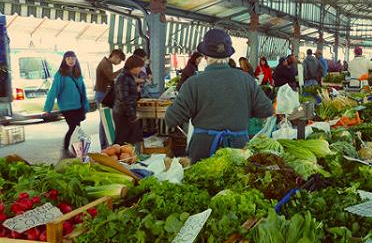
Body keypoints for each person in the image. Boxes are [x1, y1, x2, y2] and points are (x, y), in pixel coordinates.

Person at [166, 29, 273, 162]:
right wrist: (243, 110)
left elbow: (171, 119)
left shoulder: (193, 83)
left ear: (205, 56)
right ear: (228, 56)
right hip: (239, 150)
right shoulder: (246, 80)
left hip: (203, 152)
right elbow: (267, 109)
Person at [43, 51, 90, 152]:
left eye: (73, 58)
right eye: (68, 58)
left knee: (77, 127)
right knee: (74, 127)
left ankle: (77, 148)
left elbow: (83, 91)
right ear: (64, 60)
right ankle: (68, 148)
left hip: (78, 106)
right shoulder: (60, 74)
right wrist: (48, 108)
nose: (71, 61)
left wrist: (85, 105)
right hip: (66, 107)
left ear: (76, 60)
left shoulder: (77, 73)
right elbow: (53, 91)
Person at [94, 49, 125, 149]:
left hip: (102, 94)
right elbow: (111, 77)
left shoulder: (107, 63)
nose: (119, 63)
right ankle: (104, 145)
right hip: (102, 94)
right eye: (119, 60)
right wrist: (122, 70)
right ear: (115, 56)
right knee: (104, 120)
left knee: (104, 120)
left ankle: (105, 144)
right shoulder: (105, 64)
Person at [113, 56, 145, 147]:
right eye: (139, 67)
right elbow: (124, 99)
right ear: (133, 66)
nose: (140, 69)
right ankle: (119, 160)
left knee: (132, 140)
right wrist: (132, 116)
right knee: (122, 141)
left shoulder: (128, 76)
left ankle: (131, 159)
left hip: (126, 112)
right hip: (123, 114)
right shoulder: (123, 78)